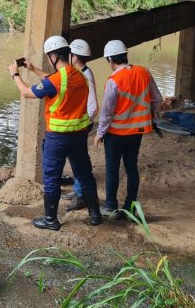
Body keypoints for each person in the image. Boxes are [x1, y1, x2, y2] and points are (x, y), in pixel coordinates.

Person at [9, 35, 103, 230]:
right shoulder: (81, 76)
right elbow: (53, 81)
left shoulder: (58, 80)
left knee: (51, 177)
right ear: (68, 54)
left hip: (58, 138)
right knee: (84, 174)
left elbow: (27, 93)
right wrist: (33, 69)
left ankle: (50, 220)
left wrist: (15, 74)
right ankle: (95, 215)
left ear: (52, 56)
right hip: (79, 136)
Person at [94, 40, 162, 219]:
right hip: (137, 132)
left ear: (110, 59)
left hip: (116, 134)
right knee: (132, 167)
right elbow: (157, 99)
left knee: (112, 168)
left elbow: (107, 112)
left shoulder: (114, 81)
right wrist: (153, 116)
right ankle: (130, 205)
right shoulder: (144, 72)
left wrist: (100, 134)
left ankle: (111, 206)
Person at [61, 39, 97, 212]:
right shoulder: (80, 72)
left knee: (79, 161)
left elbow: (93, 105)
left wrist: (83, 122)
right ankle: (77, 191)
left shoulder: (85, 75)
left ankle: (81, 196)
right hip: (79, 124)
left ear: (74, 57)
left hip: (81, 126)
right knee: (75, 159)